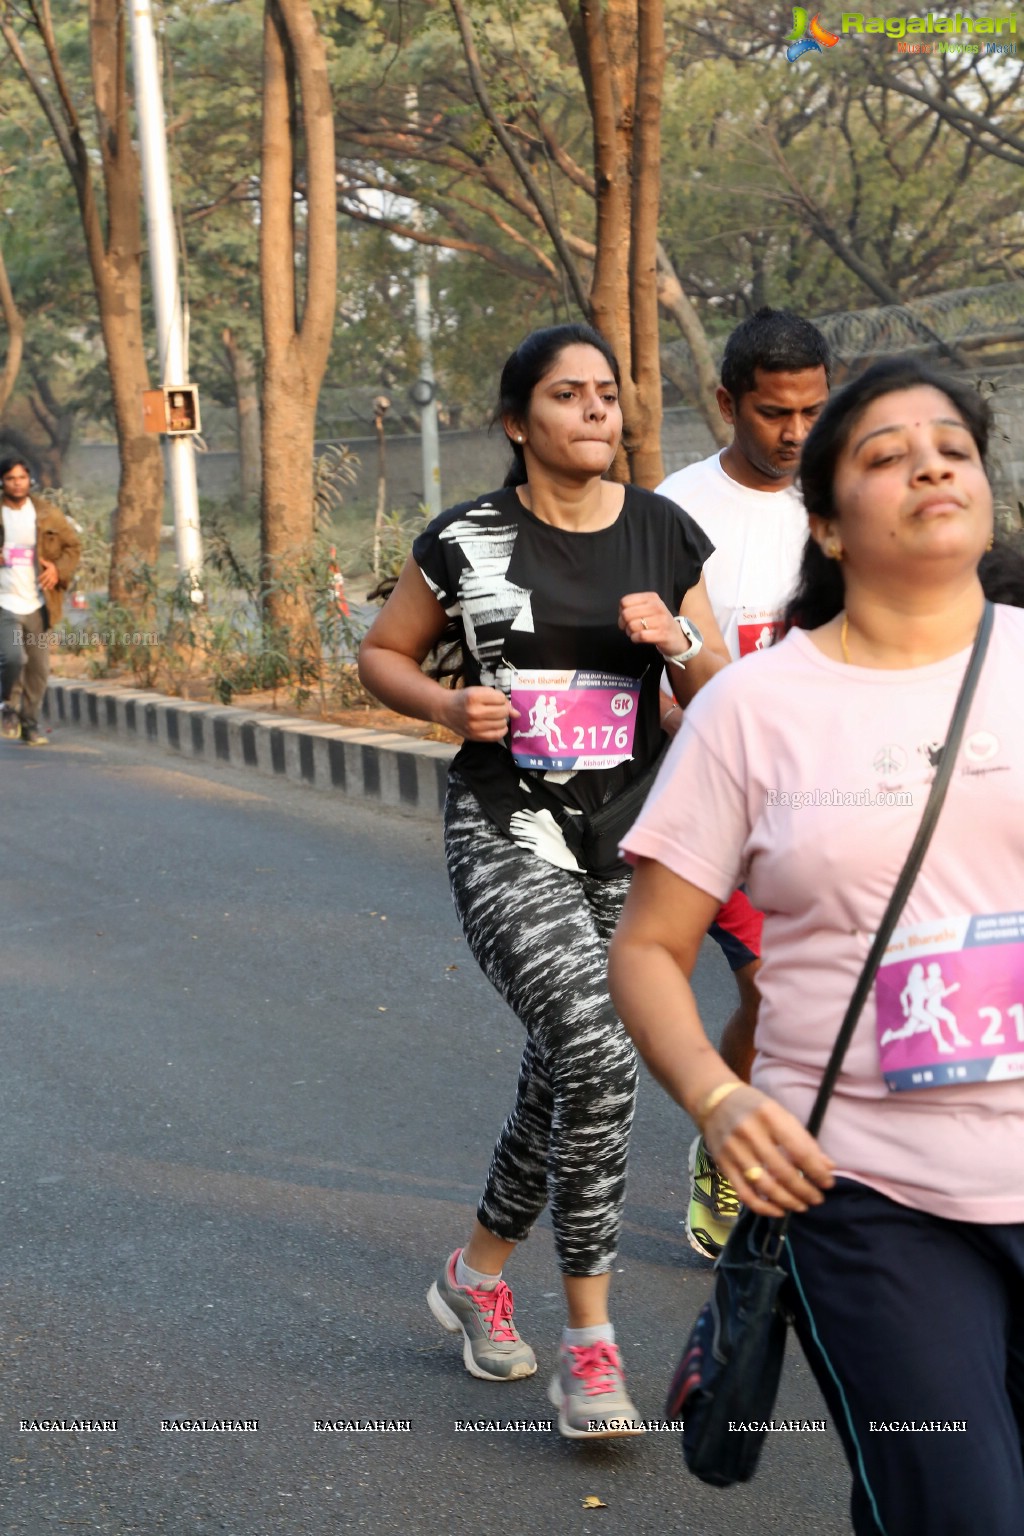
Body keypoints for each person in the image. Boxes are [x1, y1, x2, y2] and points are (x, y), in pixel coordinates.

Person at [609, 357, 1024, 1534]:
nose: (930, 465)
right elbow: (648, 948)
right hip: (863, 1189)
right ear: (829, 525)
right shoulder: (754, 709)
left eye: (950, 445)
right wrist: (718, 1102)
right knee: (963, 1513)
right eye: (885, 455)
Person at [358, 323, 729, 1438]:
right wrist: (442, 704)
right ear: (519, 422)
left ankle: (476, 1275)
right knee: (597, 1050)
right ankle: (593, 1348)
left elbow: (724, 696)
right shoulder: (464, 539)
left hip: (633, 839)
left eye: (607, 395)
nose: (596, 413)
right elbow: (382, 652)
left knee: (561, 1068)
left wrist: (677, 643)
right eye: (568, 397)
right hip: (505, 827)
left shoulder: (664, 533)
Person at [655, 309, 831, 1259]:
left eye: (812, 408)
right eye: (773, 412)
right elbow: (648, 664)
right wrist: (685, 706)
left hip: (836, 797)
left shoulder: (844, 500)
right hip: (718, 799)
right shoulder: (671, 513)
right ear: (727, 402)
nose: (796, 432)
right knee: (770, 984)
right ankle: (730, 1147)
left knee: (835, 997)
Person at [0, 456, 81, 746]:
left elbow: (73, 546)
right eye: (10, 478)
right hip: (3, 601)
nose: (17, 483)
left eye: (21, 478)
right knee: (12, 657)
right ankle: (6, 703)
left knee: (38, 669)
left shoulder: (46, 513)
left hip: (38, 602)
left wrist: (58, 569)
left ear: (29, 479)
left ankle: (29, 725)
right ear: (2, 482)